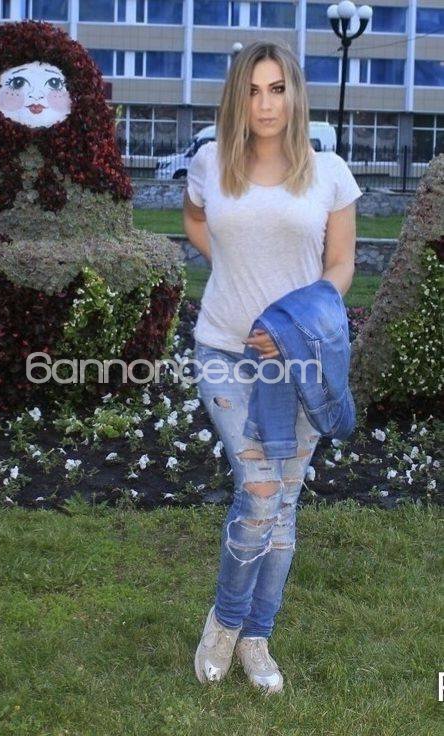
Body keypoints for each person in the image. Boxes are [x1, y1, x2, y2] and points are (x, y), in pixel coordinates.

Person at [183, 41, 363, 694]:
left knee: (282, 506)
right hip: (225, 351)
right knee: (260, 492)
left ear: (294, 96)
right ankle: (225, 623)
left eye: (277, 89)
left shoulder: (329, 173)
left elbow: (340, 265)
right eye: (253, 90)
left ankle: (257, 637)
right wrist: (233, 269)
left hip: (299, 363)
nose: (265, 104)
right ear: (238, 97)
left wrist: (289, 321)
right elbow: (194, 221)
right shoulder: (210, 163)